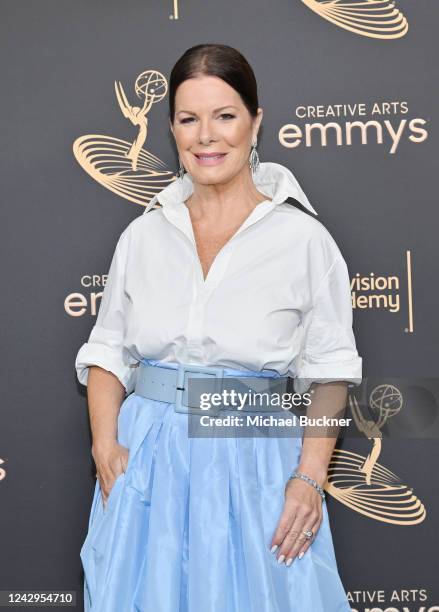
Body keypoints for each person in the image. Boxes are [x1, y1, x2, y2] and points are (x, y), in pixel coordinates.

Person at [75, 43, 362, 612]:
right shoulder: (143, 236)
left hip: (254, 463)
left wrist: (307, 481)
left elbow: (330, 374)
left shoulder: (305, 242)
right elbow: (108, 353)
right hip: (148, 468)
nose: (207, 135)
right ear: (173, 130)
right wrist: (106, 446)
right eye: (189, 118)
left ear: (256, 123)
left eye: (225, 115)